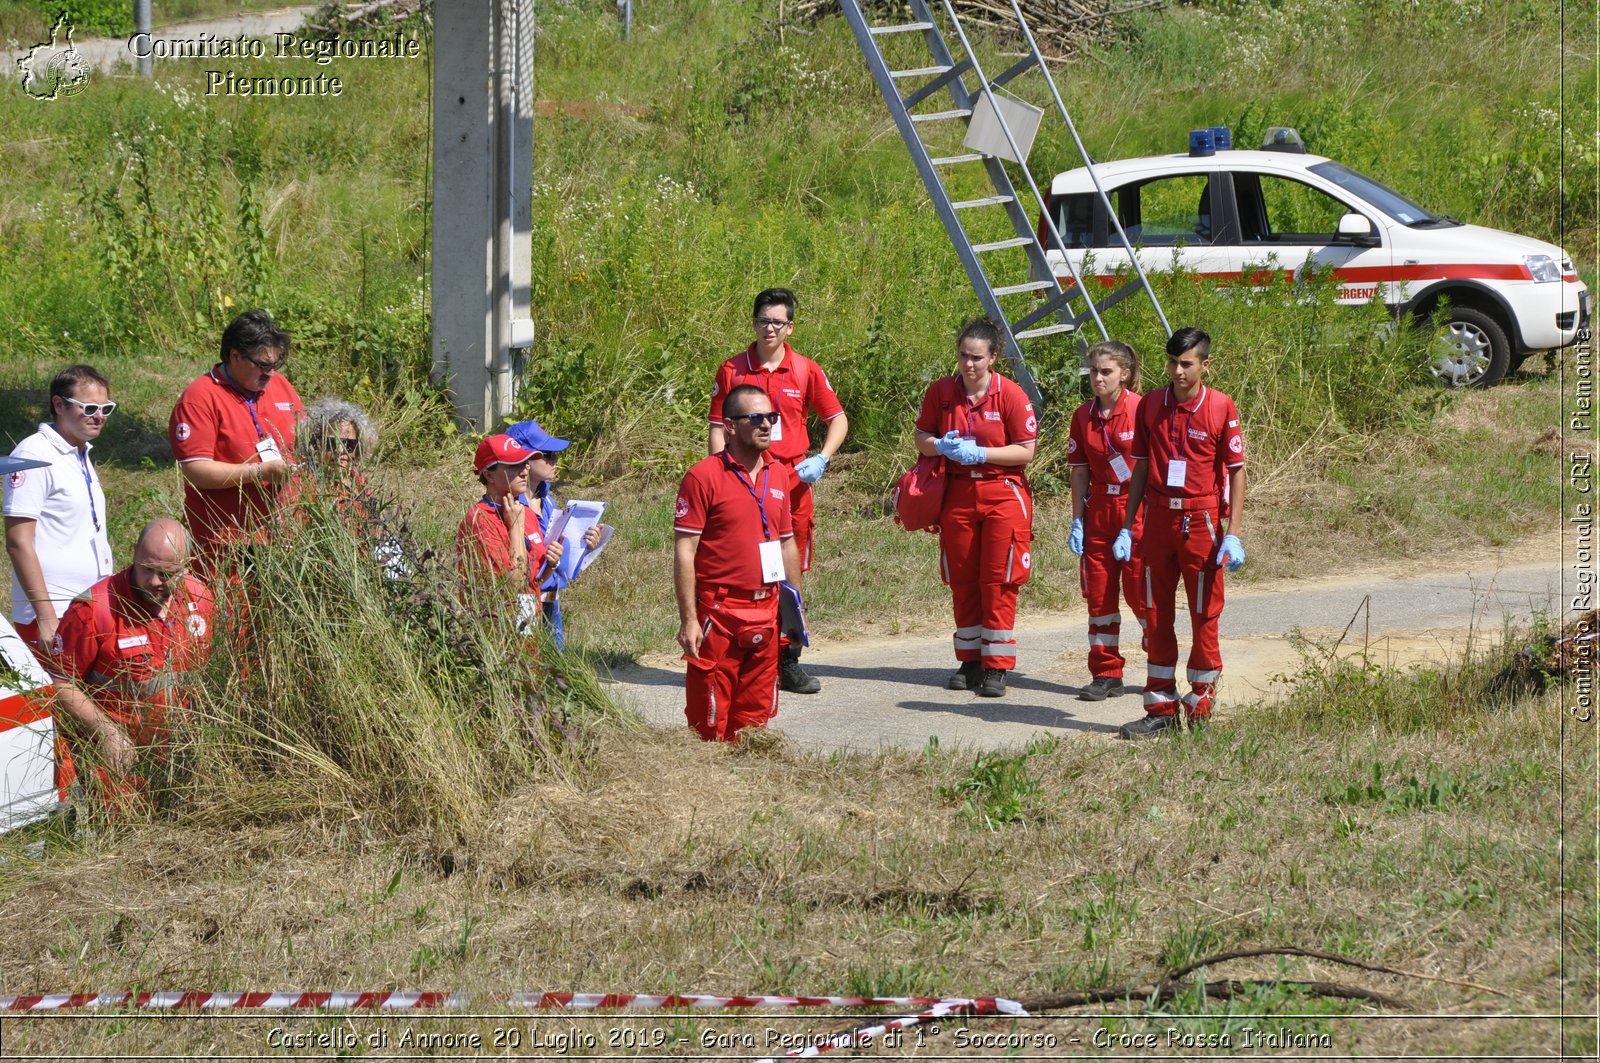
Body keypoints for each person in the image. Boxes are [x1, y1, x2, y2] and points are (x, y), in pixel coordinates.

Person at [707, 288, 848, 695]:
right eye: (763, 320)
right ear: (753, 323)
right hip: (744, 483)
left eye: (778, 322)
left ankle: (787, 659)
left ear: (790, 326)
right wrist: (723, 473)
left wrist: (821, 458)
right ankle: (744, 654)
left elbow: (837, 420)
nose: (770, 328)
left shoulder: (805, 370)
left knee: (787, 572)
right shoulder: (732, 370)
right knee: (743, 567)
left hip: (791, 484)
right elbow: (718, 427)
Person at [1113, 327, 1247, 738]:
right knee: (1156, 614)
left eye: (1186, 364)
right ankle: (1161, 708)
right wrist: (1127, 525)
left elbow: (1237, 471)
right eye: (1172, 363)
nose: (1177, 371)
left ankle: (1201, 706)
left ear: (1204, 365)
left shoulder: (1221, 406)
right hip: (1157, 521)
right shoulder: (1150, 405)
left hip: (1202, 521)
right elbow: (1138, 468)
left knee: (1204, 612)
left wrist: (1233, 532)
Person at [45, 518, 215, 805]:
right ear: (133, 553)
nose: (153, 582)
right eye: (147, 568)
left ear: (188, 564)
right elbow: (60, 682)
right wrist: (108, 732)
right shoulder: (94, 609)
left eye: (167, 574)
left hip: (185, 759)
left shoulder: (201, 599)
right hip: (119, 765)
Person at [913, 318, 1038, 698]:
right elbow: (921, 437)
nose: (968, 365)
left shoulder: (1011, 394)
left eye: (977, 358)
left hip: (1002, 492)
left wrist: (981, 453)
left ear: (993, 357)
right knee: (963, 578)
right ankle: (969, 660)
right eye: (963, 356)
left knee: (998, 579)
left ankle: (997, 666)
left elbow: (1026, 450)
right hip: (958, 493)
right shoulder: (942, 392)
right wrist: (939, 445)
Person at [675, 384, 802, 742]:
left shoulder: (778, 473)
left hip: (767, 608)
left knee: (754, 722)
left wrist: (795, 607)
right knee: (709, 722)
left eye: (771, 418)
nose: (766, 425)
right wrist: (689, 620)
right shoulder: (703, 476)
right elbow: (685, 550)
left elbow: (786, 541)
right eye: (757, 418)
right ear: (730, 426)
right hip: (721, 612)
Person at [168, 309, 303, 563]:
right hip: (227, 542)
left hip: (283, 535)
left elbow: (305, 439)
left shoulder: (281, 386)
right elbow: (196, 470)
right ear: (235, 356)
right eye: (263, 365)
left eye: (276, 364)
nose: (271, 373)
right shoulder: (200, 398)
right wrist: (260, 473)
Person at [4, 365, 116, 650]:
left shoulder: (81, 452)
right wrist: (45, 616)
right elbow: (18, 542)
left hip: (87, 608)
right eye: (89, 407)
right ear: (59, 404)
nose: (99, 416)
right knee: (61, 694)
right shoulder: (33, 454)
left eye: (106, 408)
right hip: (53, 613)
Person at [1066, 341, 1147, 701]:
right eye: (1093, 372)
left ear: (1125, 374)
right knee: (1098, 597)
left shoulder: (1143, 410)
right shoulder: (1083, 416)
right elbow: (1079, 472)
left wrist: (1138, 520)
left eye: (1106, 372)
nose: (1097, 378)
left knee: (1141, 595)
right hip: (1099, 509)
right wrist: (1077, 520)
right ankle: (1106, 672)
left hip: (1138, 510)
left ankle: (1161, 665)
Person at [505, 419, 606, 650]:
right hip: (525, 600)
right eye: (548, 455)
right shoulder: (511, 507)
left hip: (552, 601)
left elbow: (562, 559)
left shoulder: (548, 502)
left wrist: (586, 545)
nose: (555, 461)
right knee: (526, 663)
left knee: (556, 672)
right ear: (526, 460)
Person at [456, 434, 563, 629]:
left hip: (527, 617)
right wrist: (515, 529)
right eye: (514, 465)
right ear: (488, 475)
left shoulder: (523, 512)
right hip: (498, 627)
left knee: (530, 657)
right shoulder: (480, 520)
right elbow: (514, 585)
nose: (524, 471)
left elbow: (533, 581)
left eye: (525, 463)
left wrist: (551, 565)